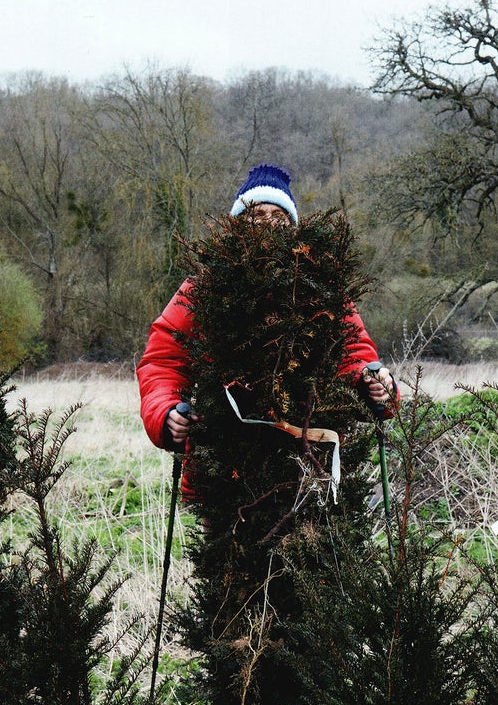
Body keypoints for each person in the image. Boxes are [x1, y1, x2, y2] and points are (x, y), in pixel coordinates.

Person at [136, 163, 396, 494]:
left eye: (278, 217)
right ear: (237, 226)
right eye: (257, 216)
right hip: (223, 466)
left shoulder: (322, 290)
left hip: (308, 462)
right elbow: (163, 361)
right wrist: (166, 413)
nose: (268, 226)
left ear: (294, 229)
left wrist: (372, 383)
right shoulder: (203, 289)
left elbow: (354, 354)